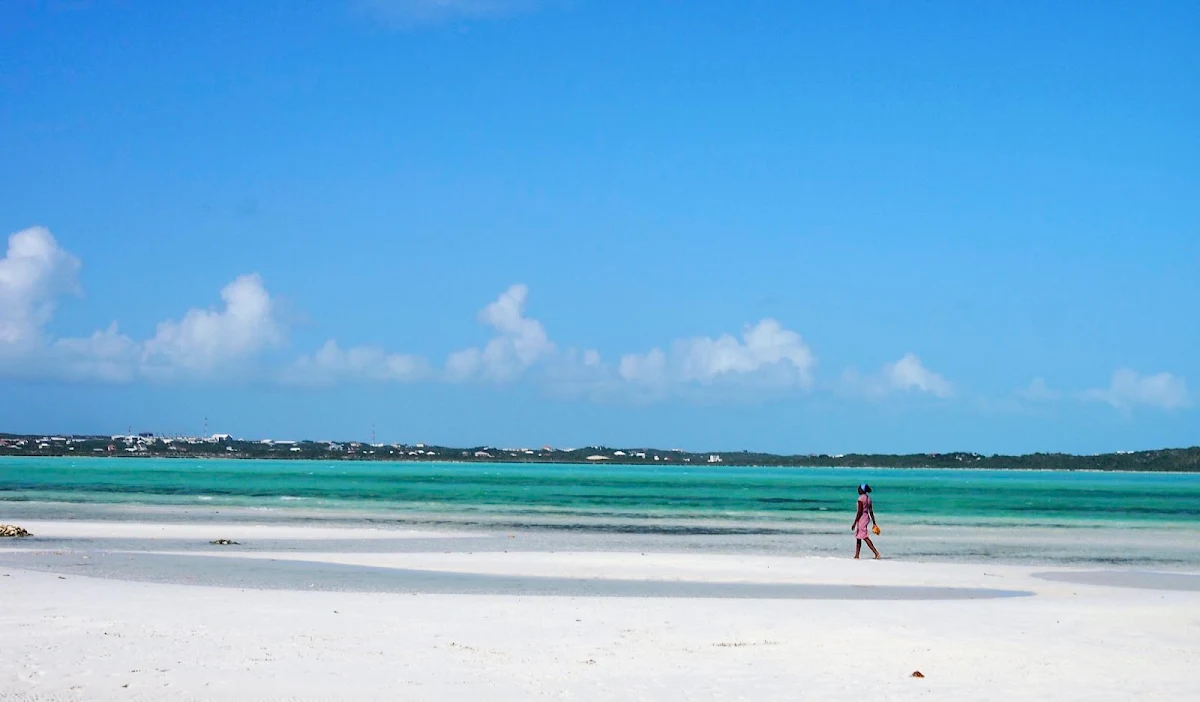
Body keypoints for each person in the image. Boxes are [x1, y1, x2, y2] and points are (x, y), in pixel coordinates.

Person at [852, 483, 880, 559]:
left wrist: (854, 522)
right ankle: (857, 555)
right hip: (866, 517)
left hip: (861, 518)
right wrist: (874, 522)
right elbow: (871, 511)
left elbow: (859, 511)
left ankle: (876, 553)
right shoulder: (868, 498)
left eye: (859, 489)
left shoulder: (861, 499)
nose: (858, 490)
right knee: (858, 536)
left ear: (862, 490)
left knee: (864, 537)